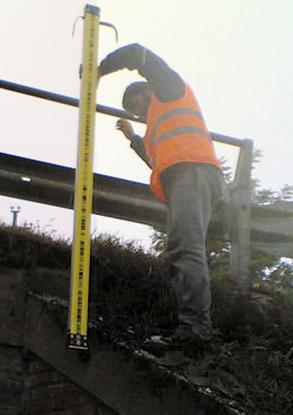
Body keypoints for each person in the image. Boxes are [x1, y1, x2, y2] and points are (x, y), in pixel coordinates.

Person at [99, 43, 224, 342]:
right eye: (134, 111)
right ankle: (190, 323)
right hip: (185, 176)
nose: (138, 111)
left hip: (194, 171)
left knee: (186, 247)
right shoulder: (155, 124)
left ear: (149, 89)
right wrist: (133, 139)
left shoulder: (169, 90)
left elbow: (137, 53)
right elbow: (157, 160)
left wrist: (100, 69)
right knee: (180, 248)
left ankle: (196, 328)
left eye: (138, 103)